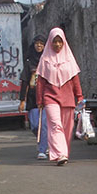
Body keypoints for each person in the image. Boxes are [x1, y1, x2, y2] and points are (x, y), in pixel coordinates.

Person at [35, 27, 84, 166]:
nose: (57, 45)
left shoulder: (69, 59)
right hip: (50, 97)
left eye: (60, 42)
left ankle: (64, 152)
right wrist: (39, 100)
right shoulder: (45, 60)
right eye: (54, 42)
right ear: (50, 42)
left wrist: (79, 97)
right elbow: (40, 82)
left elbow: (75, 80)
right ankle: (60, 154)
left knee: (67, 129)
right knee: (56, 125)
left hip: (68, 98)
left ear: (64, 43)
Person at [17, 36, 48, 160]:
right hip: (32, 99)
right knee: (35, 125)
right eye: (37, 44)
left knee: (44, 125)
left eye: (41, 44)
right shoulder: (29, 62)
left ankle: (42, 150)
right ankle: (42, 140)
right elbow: (24, 81)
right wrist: (22, 100)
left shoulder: (48, 60)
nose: (39, 46)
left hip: (47, 98)